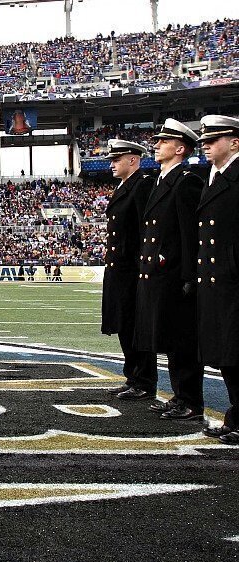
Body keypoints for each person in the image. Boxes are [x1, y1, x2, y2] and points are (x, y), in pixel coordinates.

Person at [134, 119, 204, 419]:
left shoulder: (186, 180)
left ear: (179, 148)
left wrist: (189, 275)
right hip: (159, 273)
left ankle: (189, 400)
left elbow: (189, 234)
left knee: (182, 340)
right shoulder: (162, 179)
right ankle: (179, 396)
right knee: (171, 340)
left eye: (163, 142)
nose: (156, 145)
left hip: (174, 275)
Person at [100, 139, 158, 404]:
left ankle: (143, 380)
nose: (111, 164)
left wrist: (141, 266)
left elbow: (144, 229)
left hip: (132, 269)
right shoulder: (125, 185)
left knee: (134, 326)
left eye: (117, 159)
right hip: (120, 268)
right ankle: (133, 377)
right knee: (124, 324)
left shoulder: (142, 184)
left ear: (133, 159)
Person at [194, 115, 239, 440]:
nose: (206, 145)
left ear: (234, 142)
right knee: (227, 354)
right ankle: (234, 417)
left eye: (214, 140)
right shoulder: (215, 177)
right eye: (205, 141)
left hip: (233, 280)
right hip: (218, 281)